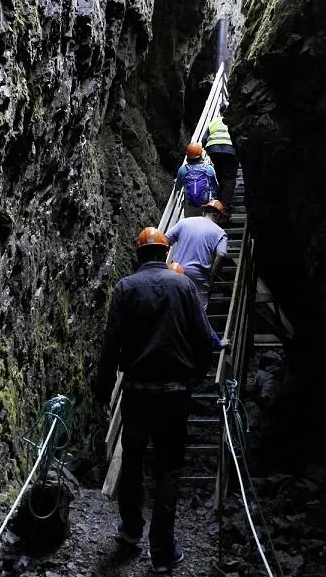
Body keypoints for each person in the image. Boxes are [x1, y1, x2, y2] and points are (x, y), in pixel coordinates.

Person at [92, 227, 218, 574]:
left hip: (137, 393)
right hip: (175, 394)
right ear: (165, 254)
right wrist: (194, 377)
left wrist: (104, 388)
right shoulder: (184, 286)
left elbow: (111, 343)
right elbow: (205, 340)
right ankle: (163, 551)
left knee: (132, 461)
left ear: (138, 255)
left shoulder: (125, 288)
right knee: (168, 468)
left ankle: (131, 531)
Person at [165, 200, 228, 308]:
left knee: (175, 309)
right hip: (199, 276)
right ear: (218, 216)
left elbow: (165, 239)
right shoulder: (220, 232)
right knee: (198, 313)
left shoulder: (184, 222)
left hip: (176, 272)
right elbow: (221, 254)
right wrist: (211, 279)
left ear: (204, 212)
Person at [201, 111, 238, 219]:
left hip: (213, 150)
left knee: (220, 176)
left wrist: (208, 149)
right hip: (230, 150)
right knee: (229, 178)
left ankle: (219, 204)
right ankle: (226, 208)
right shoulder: (234, 120)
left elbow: (204, 139)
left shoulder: (214, 121)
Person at [174, 142, 218, 218]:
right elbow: (215, 186)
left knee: (190, 225)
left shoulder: (183, 170)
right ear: (201, 155)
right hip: (206, 205)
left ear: (187, 156)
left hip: (190, 206)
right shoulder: (209, 169)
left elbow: (178, 187)